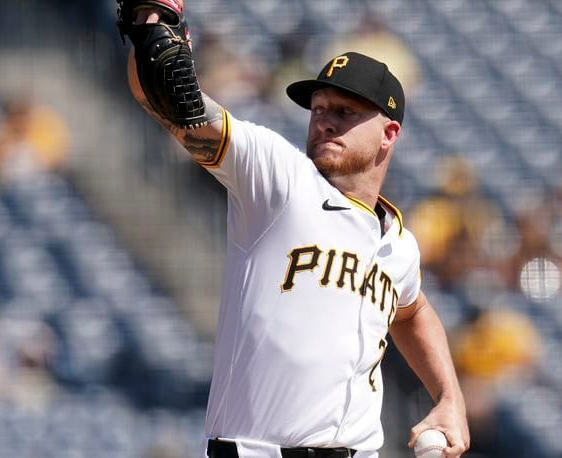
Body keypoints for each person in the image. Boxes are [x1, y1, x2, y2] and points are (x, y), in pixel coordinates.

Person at [118, 1, 469, 456]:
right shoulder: (278, 179)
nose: (324, 120)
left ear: (389, 133)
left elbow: (413, 312)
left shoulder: (398, 245)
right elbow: (166, 100)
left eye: (344, 111)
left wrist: (450, 396)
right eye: (318, 108)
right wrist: (151, 25)